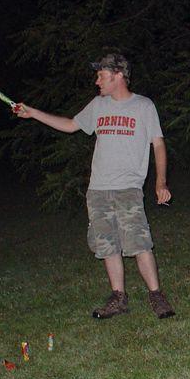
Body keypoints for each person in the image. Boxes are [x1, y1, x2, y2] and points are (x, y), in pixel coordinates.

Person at [14, 53, 175, 320]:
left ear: (118, 75)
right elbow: (70, 125)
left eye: (101, 75)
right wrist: (33, 113)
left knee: (139, 243)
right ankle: (118, 298)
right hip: (98, 190)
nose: (97, 81)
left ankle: (156, 295)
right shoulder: (98, 105)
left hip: (128, 187)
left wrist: (160, 182)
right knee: (107, 245)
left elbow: (158, 144)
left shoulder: (143, 106)